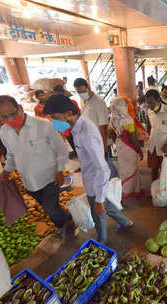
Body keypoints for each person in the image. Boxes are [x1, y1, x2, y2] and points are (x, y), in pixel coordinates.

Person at [43, 95, 134, 244]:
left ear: (68, 113)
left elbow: (103, 169)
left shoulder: (86, 133)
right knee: (106, 205)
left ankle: (102, 239)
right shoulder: (77, 128)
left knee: (97, 211)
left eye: (55, 117)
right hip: (91, 177)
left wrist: (98, 201)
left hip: (95, 181)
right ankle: (126, 222)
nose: (54, 122)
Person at [0, 95, 74, 240]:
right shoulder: (4, 132)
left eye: (12, 114)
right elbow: (11, 155)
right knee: (47, 207)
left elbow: (61, 149)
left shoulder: (43, 125)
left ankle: (67, 223)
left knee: (51, 207)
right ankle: (63, 222)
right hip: (28, 182)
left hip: (50, 178)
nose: (10, 120)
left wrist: (59, 170)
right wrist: (6, 171)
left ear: (19, 108)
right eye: (4, 117)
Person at [73, 78, 118, 178]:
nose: (81, 94)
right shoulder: (86, 101)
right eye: (79, 92)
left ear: (88, 88)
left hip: (100, 143)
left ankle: (113, 187)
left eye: (83, 91)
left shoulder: (98, 101)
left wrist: (104, 150)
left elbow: (103, 126)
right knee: (98, 171)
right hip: (91, 142)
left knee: (106, 170)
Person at [109, 97, 144, 199]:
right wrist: (139, 150)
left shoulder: (113, 118)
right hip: (129, 148)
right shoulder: (127, 119)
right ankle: (127, 192)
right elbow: (133, 138)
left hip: (119, 145)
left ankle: (132, 190)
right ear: (122, 107)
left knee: (124, 170)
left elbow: (111, 133)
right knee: (132, 169)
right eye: (125, 105)